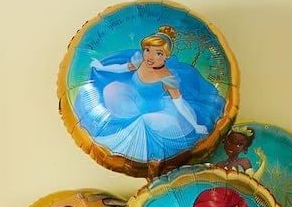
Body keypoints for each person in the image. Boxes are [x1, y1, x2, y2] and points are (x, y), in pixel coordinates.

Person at [70, 24, 226, 165]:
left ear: (166, 57)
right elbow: (121, 68)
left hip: (157, 111)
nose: (151, 57)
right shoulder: (141, 62)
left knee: (144, 123)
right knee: (111, 90)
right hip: (133, 100)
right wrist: (101, 67)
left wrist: (195, 125)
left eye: (158, 53)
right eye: (148, 50)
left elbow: (180, 104)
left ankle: (140, 158)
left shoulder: (168, 78)